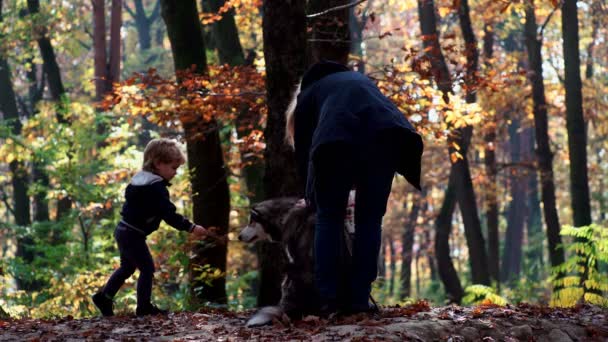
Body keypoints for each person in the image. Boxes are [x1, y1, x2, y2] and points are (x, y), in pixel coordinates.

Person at [285, 60, 423, 315]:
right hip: (388, 140)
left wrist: (310, 195)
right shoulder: (361, 82)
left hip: (337, 145)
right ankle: (360, 299)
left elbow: (306, 153)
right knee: (370, 220)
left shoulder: (310, 94)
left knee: (329, 217)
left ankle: (330, 299)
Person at [92, 138, 207, 317]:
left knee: (127, 267)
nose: (175, 172)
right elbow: (168, 214)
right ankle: (143, 307)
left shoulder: (139, 181)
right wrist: (191, 227)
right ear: (158, 163)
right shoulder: (155, 187)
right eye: (173, 168)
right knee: (147, 268)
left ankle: (104, 297)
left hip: (123, 230)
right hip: (132, 234)